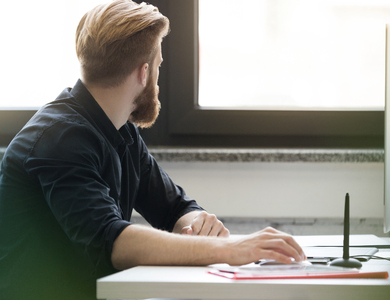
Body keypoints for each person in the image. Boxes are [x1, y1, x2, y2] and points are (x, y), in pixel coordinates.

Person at [0, 1, 306, 299]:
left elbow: (174, 208)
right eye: (159, 66)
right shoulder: (60, 138)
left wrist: (197, 225)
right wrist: (230, 249)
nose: (158, 79)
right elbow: (114, 243)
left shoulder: (122, 131)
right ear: (144, 72)